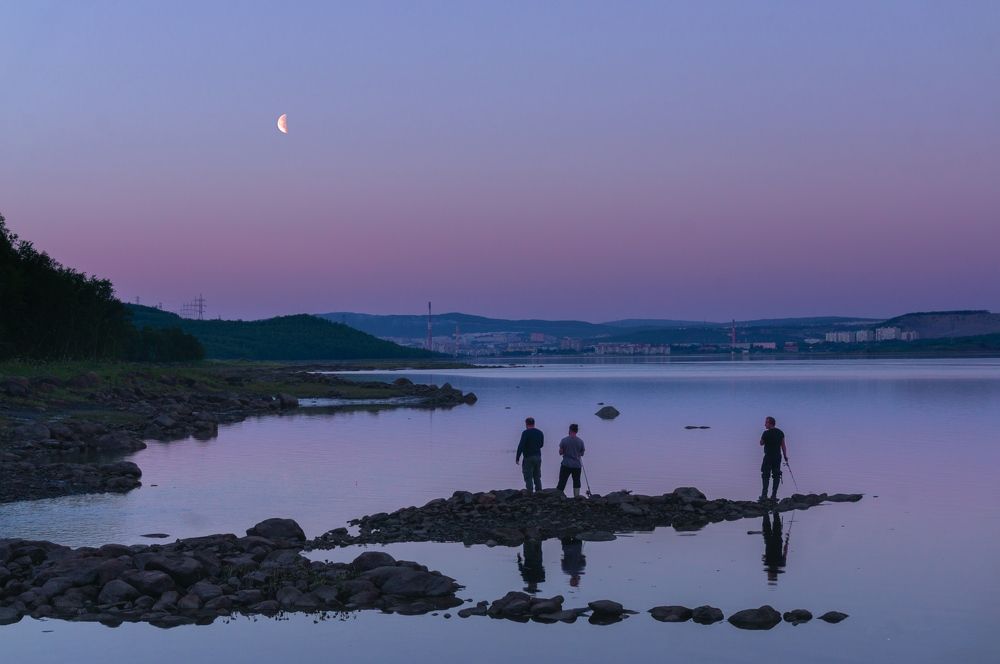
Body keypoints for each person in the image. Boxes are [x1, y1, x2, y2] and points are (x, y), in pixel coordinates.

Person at [759, 416, 789, 502]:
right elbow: (783, 445)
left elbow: (761, 443)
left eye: (766, 423)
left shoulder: (766, 433)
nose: (765, 424)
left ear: (770, 423)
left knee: (765, 475)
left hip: (768, 457)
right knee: (776, 475)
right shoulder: (780, 433)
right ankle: (774, 495)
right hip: (777, 457)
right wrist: (785, 456)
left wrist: (763, 439)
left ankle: (764, 495)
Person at [556, 423, 586, 497]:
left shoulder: (564, 440)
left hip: (566, 464)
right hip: (577, 465)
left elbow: (560, 452)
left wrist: (564, 451)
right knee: (576, 481)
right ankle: (576, 496)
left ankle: (558, 496)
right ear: (576, 431)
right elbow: (582, 453)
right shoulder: (580, 441)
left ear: (570, 430)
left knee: (562, 481)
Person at [515, 417, 544, 493]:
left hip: (528, 457)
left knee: (528, 476)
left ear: (526, 424)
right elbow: (541, 444)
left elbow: (521, 445)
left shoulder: (525, 433)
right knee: (537, 476)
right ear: (534, 423)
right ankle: (539, 492)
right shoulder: (540, 432)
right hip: (538, 457)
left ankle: (530, 492)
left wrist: (517, 457)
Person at [761, 510, 789, 584]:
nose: (768, 574)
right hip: (770, 542)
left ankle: (774, 511)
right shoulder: (767, 563)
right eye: (769, 575)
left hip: (776, 542)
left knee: (776, 526)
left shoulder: (781, 563)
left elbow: (785, 552)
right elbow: (764, 556)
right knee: (767, 526)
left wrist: (787, 541)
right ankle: (766, 512)